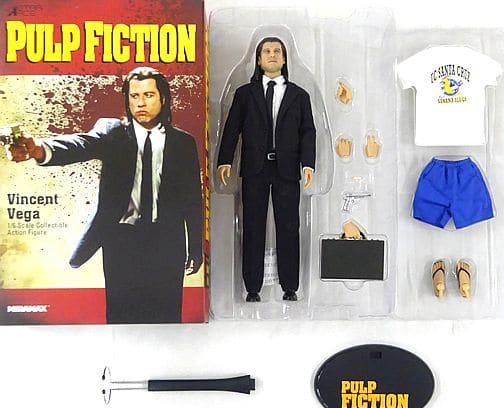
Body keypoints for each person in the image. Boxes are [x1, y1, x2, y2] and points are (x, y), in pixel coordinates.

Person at [7, 66, 203, 323]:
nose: (140, 103)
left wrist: (195, 248)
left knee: (166, 317)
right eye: (134, 96)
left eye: (148, 95)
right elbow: (79, 144)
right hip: (122, 241)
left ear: (163, 98)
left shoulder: (183, 143)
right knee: (121, 318)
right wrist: (39, 150)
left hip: (167, 242)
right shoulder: (112, 132)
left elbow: (192, 200)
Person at [217, 37, 315, 302]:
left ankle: (290, 286)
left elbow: (308, 132)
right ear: (258, 59)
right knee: (252, 226)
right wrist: (224, 160)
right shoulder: (244, 94)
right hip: (254, 169)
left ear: (284, 59)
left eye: (277, 51)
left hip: (287, 170)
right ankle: (252, 287)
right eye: (267, 51)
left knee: (289, 227)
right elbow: (232, 129)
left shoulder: (299, 96)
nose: (272, 55)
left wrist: (308, 164)